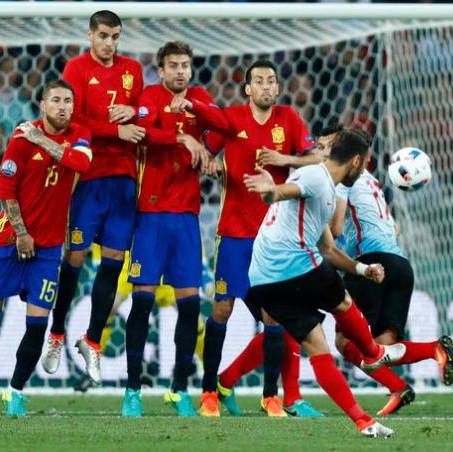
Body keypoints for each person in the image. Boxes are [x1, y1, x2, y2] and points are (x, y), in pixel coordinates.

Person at [243, 128, 403, 438]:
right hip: (292, 265)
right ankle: (373, 354)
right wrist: (271, 191)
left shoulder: (326, 190)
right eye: (366, 163)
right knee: (342, 301)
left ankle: (363, 422)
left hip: (263, 279)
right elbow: (287, 191)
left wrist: (361, 268)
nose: (365, 169)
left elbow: (327, 249)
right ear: (356, 161)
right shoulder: (316, 177)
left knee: (319, 348)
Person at [0, 80, 93, 417]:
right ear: (43, 105)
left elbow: (82, 163)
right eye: (55, 100)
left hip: (48, 249)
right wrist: (21, 233)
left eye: (68, 101)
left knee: (37, 325)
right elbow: (5, 189)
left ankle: (14, 393)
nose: (62, 106)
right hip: (9, 242)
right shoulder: (20, 138)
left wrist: (43, 141)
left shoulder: (79, 134)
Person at [199, 60, 322, 418]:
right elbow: (206, 148)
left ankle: (271, 397)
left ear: (277, 88)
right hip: (234, 232)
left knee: (272, 317)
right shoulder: (232, 118)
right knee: (222, 308)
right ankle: (209, 392)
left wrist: (283, 157)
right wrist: (209, 159)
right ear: (248, 89)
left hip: (273, 237)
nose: (266, 86)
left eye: (271, 80)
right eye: (259, 81)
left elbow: (316, 158)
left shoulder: (289, 119)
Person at [121, 41, 227, 417]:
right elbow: (142, 131)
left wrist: (208, 146)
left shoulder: (199, 97)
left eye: (185, 65)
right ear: (161, 70)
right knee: (143, 301)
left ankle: (179, 388)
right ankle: (133, 389)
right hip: (149, 215)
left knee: (190, 305)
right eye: (173, 66)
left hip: (186, 217)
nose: (180, 71)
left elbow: (225, 126)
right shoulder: (150, 95)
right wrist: (183, 137)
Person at [41, 10, 146, 385]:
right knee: (76, 257)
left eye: (115, 36)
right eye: (103, 36)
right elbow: (75, 121)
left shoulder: (133, 69)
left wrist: (136, 111)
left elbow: (147, 113)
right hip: (88, 177)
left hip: (124, 180)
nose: (109, 43)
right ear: (90, 35)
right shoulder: (76, 68)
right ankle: (56, 335)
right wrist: (117, 131)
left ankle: (92, 341)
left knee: (114, 262)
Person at [328, 125, 453, 417]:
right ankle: (435, 350)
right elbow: (394, 227)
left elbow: (335, 228)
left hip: (372, 264)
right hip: (401, 265)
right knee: (384, 346)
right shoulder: (373, 182)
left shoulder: (343, 179)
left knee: (345, 340)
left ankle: (398, 387)